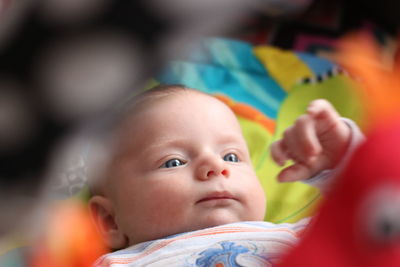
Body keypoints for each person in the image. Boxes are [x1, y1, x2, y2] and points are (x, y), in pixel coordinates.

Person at [88, 84, 364, 266]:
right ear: (111, 221)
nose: (217, 167)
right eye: (173, 162)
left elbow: (375, 214)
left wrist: (344, 159)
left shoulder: (297, 237)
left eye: (231, 157)